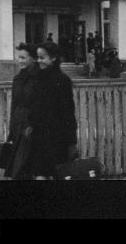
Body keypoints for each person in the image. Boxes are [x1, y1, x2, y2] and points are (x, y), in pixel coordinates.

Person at [27, 41, 77, 180]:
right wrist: (30, 124)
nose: (39, 61)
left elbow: (68, 112)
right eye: (38, 57)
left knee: (56, 174)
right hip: (38, 137)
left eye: (42, 57)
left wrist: (72, 142)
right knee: (39, 174)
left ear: (53, 58)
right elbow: (34, 105)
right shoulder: (37, 78)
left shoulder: (62, 80)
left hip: (57, 138)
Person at [5, 42, 40, 179]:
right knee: (19, 169)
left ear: (33, 58)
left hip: (32, 128)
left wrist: (33, 126)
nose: (20, 61)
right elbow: (14, 105)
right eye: (18, 57)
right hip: (19, 126)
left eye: (23, 58)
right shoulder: (18, 78)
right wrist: (12, 130)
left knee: (28, 167)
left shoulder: (39, 78)